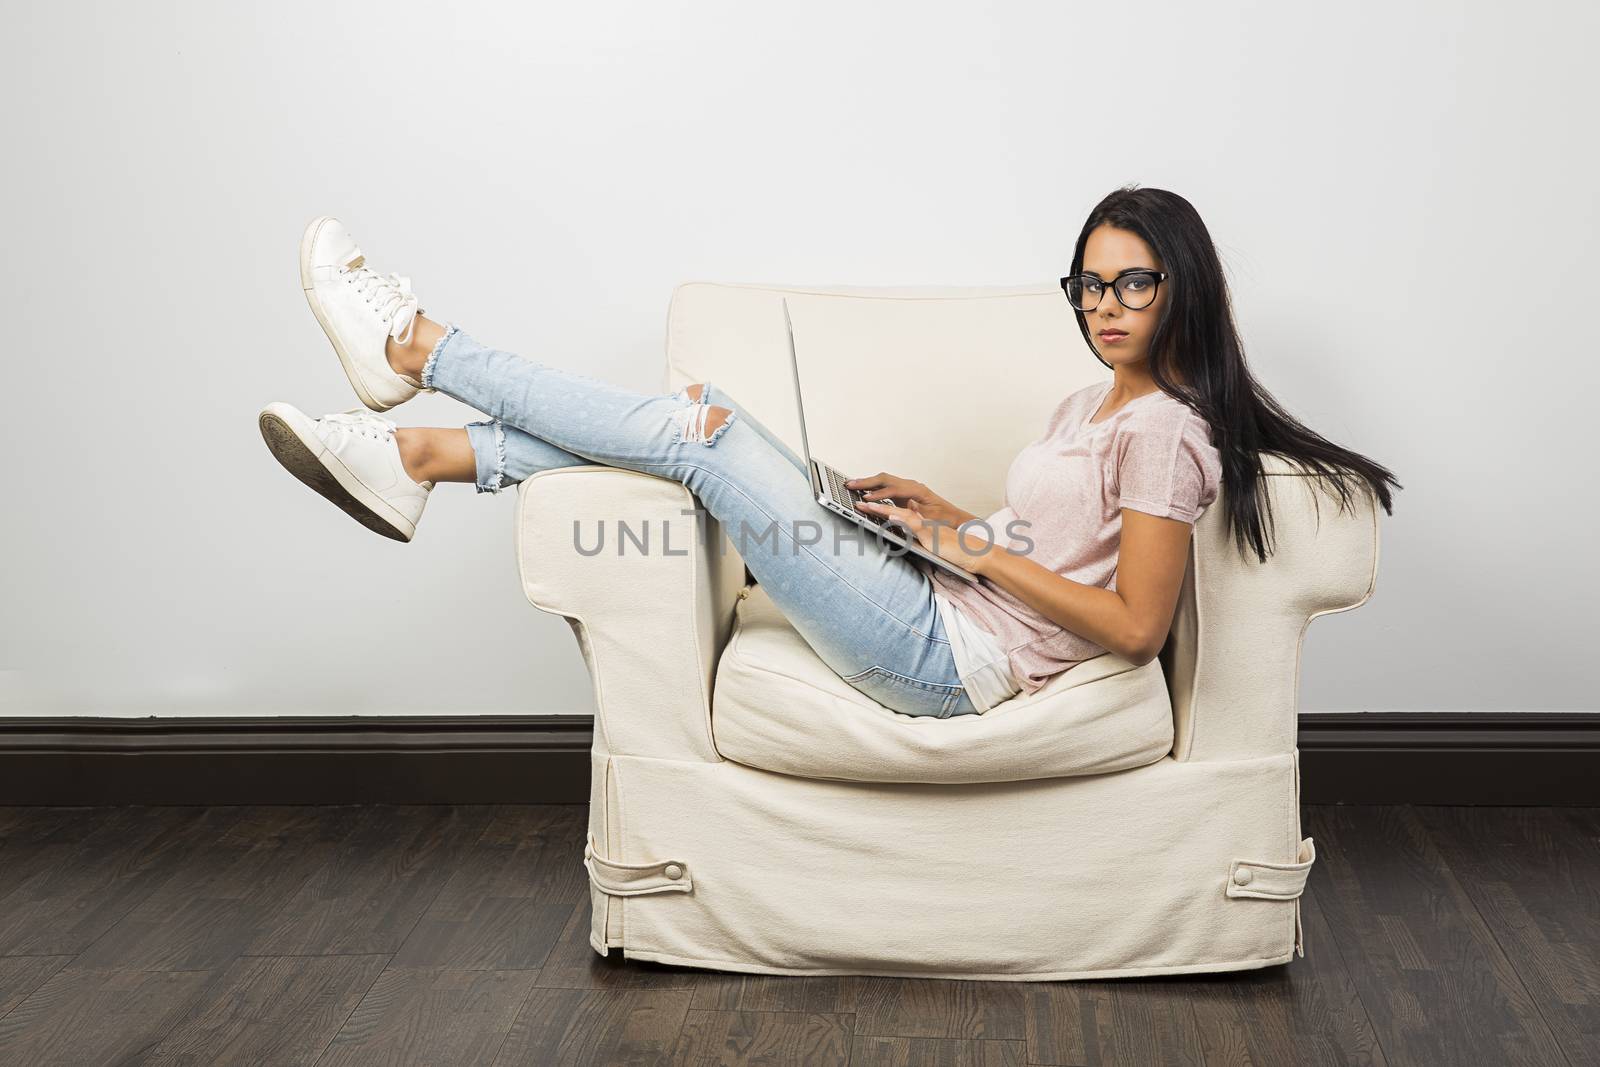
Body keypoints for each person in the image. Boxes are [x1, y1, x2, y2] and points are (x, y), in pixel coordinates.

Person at [259, 186, 1400, 720]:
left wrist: (965, 547)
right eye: (1090, 281)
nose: (1105, 303)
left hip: (947, 662)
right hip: (932, 596)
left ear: (1179, 287)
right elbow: (1065, 547)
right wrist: (937, 513)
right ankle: (411, 454)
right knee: (706, 416)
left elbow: (1136, 624)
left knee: (698, 435)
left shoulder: (1166, 431)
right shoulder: (1091, 405)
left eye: (1131, 282)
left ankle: (415, 357)